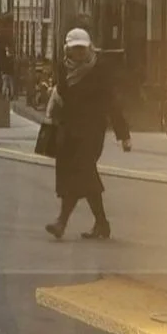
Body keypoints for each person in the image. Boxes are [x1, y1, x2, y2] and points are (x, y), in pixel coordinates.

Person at [44, 26, 129, 240]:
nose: (80, 53)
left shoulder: (99, 70)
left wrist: (123, 134)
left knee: (81, 171)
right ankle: (102, 224)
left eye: (83, 48)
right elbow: (61, 95)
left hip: (91, 131)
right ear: (67, 50)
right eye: (75, 49)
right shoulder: (63, 68)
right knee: (82, 176)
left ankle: (62, 222)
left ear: (90, 48)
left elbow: (112, 102)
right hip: (68, 130)